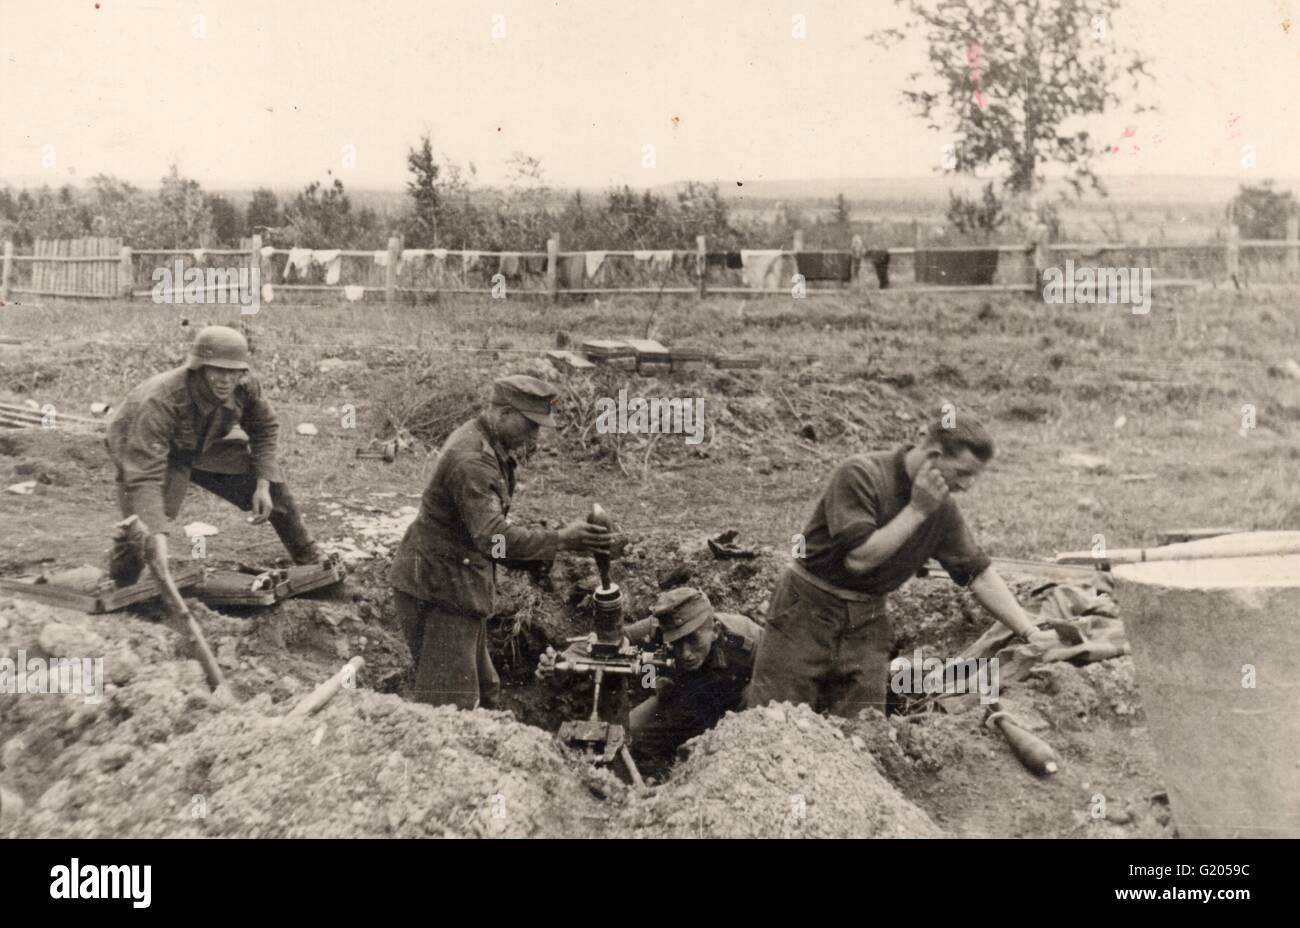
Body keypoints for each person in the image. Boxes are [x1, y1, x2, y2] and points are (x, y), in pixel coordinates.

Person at [746, 412, 1038, 719]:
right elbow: (859, 559)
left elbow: (977, 573)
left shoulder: (941, 507)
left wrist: (1029, 631)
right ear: (934, 455)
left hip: (868, 620)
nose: (967, 485)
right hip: (805, 611)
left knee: (865, 729)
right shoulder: (861, 474)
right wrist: (917, 510)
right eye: (963, 473)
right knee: (775, 720)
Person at [390, 374, 612, 709]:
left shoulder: (487, 442)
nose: (535, 435)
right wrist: (560, 540)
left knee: (486, 691)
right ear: (504, 413)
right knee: (449, 708)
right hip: (440, 590)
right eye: (530, 425)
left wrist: (554, 544)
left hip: (455, 582)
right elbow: (494, 539)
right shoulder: (473, 460)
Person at [106, 325, 320, 584]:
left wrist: (262, 485)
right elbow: (144, 478)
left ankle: (311, 560)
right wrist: (157, 533)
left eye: (233, 372)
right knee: (143, 529)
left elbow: (264, 428)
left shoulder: (244, 386)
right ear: (200, 368)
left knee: (271, 484)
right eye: (217, 370)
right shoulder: (162, 401)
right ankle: (122, 584)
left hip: (204, 441)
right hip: (140, 445)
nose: (225, 380)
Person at [537, 587, 762, 764]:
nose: (686, 653)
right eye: (676, 643)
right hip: (685, 701)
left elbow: (782, 675)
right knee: (630, 736)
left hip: (737, 707)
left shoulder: (746, 638)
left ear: (715, 631)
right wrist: (561, 661)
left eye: (693, 640)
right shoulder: (656, 630)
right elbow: (610, 643)